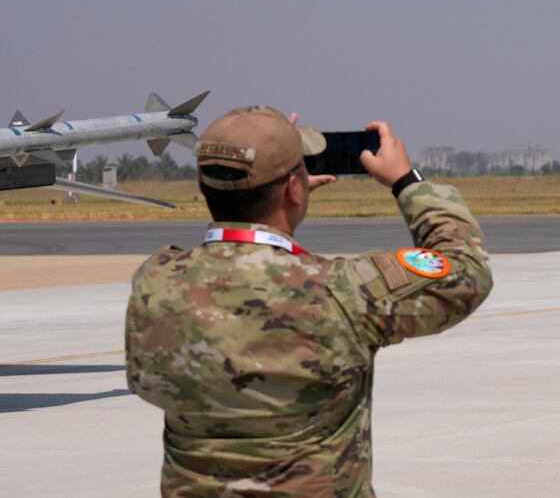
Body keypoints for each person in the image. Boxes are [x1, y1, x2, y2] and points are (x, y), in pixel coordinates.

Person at [125, 105, 493, 496]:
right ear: (294, 187)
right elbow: (466, 269)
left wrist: (282, 199)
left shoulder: (156, 280)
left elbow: (231, 257)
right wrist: (407, 181)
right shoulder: (342, 291)